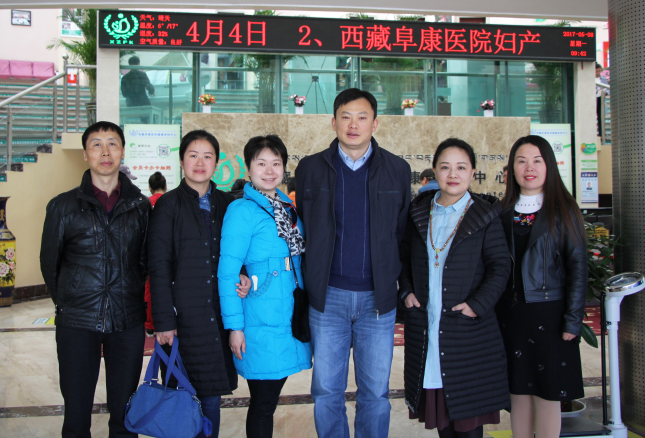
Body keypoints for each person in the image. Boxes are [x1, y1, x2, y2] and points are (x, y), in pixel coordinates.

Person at [295, 88, 411, 437]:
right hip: (327, 297)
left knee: (375, 393)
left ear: (375, 123)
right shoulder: (311, 168)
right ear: (333, 122)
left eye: (362, 117)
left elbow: (402, 234)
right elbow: (303, 227)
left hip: (378, 300)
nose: (353, 124)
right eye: (345, 117)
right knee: (326, 391)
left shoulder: (397, 169)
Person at [40, 121, 151, 438]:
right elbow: (50, 263)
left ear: (123, 151)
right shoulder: (62, 206)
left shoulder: (141, 206)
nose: (105, 152)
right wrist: (70, 300)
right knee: (76, 414)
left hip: (127, 319)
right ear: (85, 154)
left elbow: (145, 261)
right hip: (77, 320)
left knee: (125, 414)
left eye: (112, 143)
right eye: (96, 144)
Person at [399, 137, 511, 438]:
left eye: (461, 167)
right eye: (445, 167)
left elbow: (501, 266)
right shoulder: (419, 212)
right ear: (434, 170)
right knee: (443, 424)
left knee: (468, 422)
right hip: (427, 326)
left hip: (467, 330)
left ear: (472, 172)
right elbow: (404, 258)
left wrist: (478, 304)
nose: (453, 174)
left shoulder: (485, 214)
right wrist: (406, 291)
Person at [148, 130, 250, 438]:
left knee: (211, 399)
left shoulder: (228, 203)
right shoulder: (167, 205)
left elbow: (238, 252)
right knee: (181, 397)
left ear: (216, 163)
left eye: (208, 156)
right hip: (183, 319)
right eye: (193, 155)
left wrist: (244, 274)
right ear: (181, 161)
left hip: (218, 316)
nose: (200, 162)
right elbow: (159, 266)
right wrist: (164, 322)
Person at [218, 135, 312, 438]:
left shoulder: (286, 206)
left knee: (267, 401)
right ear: (248, 168)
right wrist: (235, 327)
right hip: (259, 315)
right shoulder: (242, 210)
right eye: (261, 163)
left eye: (276, 163)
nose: (269, 170)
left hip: (288, 312)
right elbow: (227, 271)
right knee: (263, 403)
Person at [497, 135, 587, 438]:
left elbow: (578, 269)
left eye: (537, 161)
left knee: (549, 394)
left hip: (551, 317)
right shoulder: (502, 212)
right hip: (511, 316)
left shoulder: (564, 210)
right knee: (518, 393)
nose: (529, 168)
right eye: (521, 161)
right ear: (511, 169)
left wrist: (573, 321)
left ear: (549, 165)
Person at [144, 171, 167, 337]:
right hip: (169, 253)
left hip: (150, 253)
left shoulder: (145, 203)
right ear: (165, 186)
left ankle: (150, 325)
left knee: (150, 289)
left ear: (150, 188)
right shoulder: (171, 201)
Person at [121, 56, 155, 123]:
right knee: (149, 119)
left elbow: (124, 94)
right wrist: (152, 91)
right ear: (138, 64)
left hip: (131, 104)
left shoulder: (124, 78)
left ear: (129, 65)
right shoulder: (142, 75)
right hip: (143, 103)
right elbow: (149, 87)